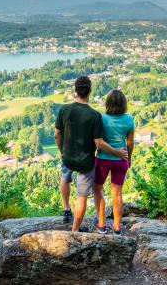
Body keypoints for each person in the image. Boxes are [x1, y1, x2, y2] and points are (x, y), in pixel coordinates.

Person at [55, 76, 128, 232]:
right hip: (86, 161)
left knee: (65, 178)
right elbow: (99, 143)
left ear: (76, 90)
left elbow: (57, 134)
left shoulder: (64, 110)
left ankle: (66, 208)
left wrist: (63, 151)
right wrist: (118, 153)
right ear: (89, 91)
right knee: (81, 196)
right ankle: (75, 229)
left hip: (67, 156)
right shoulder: (95, 115)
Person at [93, 89, 135, 236]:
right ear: (123, 103)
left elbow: (98, 141)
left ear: (108, 103)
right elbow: (130, 143)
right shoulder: (129, 120)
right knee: (117, 194)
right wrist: (129, 158)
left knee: (98, 190)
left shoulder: (101, 118)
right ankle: (117, 227)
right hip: (121, 160)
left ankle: (102, 224)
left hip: (103, 159)